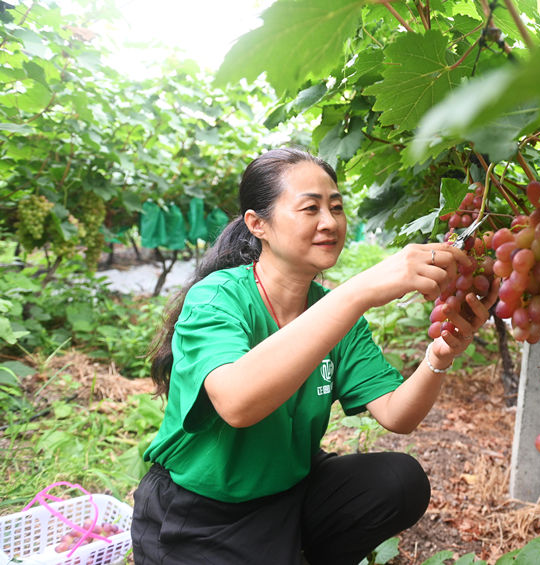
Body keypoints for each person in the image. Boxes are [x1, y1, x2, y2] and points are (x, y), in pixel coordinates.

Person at [131, 147, 498, 565]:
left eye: (337, 207)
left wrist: (440, 354)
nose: (330, 222)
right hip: (200, 514)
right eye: (310, 208)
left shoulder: (332, 310)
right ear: (258, 224)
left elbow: (398, 415)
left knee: (399, 480)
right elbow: (237, 402)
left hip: (288, 497)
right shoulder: (219, 297)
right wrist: (359, 290)